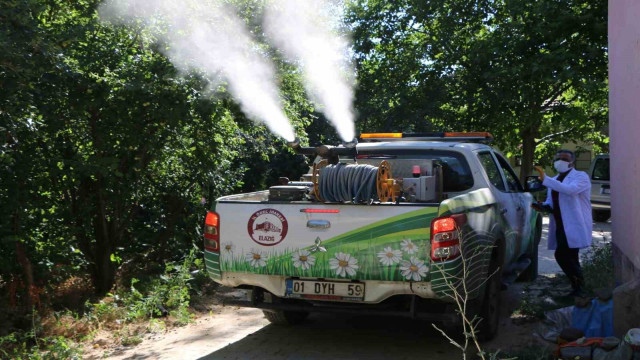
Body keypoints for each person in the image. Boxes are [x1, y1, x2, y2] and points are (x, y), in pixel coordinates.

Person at [532, 150, 592, 297]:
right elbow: (551, 202)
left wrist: (545, 179)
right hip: (560, 224)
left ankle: (580, 285)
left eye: (564, 159)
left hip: (574, 224)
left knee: (562, 255)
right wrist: (544, 206)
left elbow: (570, 190)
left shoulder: (581, 177)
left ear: (572, 162)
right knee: (571, 256)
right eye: (558, 158)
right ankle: (578, 288)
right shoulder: (555, 179)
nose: (560, 161)